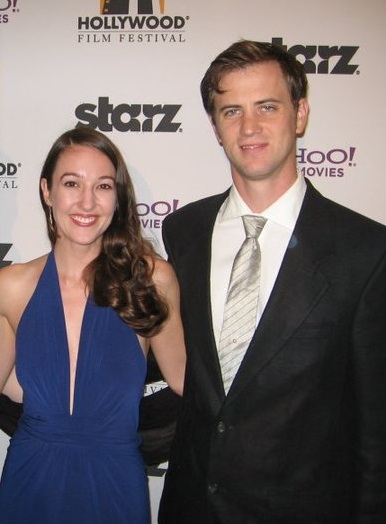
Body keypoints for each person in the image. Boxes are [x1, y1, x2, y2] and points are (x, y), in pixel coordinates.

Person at [158, 40, 386, 523]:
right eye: (231, 110)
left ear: (300, 114)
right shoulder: (184, 231)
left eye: (267, 106)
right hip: (192, 506)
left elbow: (376, 428)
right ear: (216, 127)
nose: (249, 128)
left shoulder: (367, 251)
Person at [0, 126, 186, 524]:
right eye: (72, 183)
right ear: (47, 191)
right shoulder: (11, 286)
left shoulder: (153, 280)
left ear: (117, 199)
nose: (87, 201)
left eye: (103, 186)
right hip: (30, 478)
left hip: (115, 481)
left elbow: (187, 382)